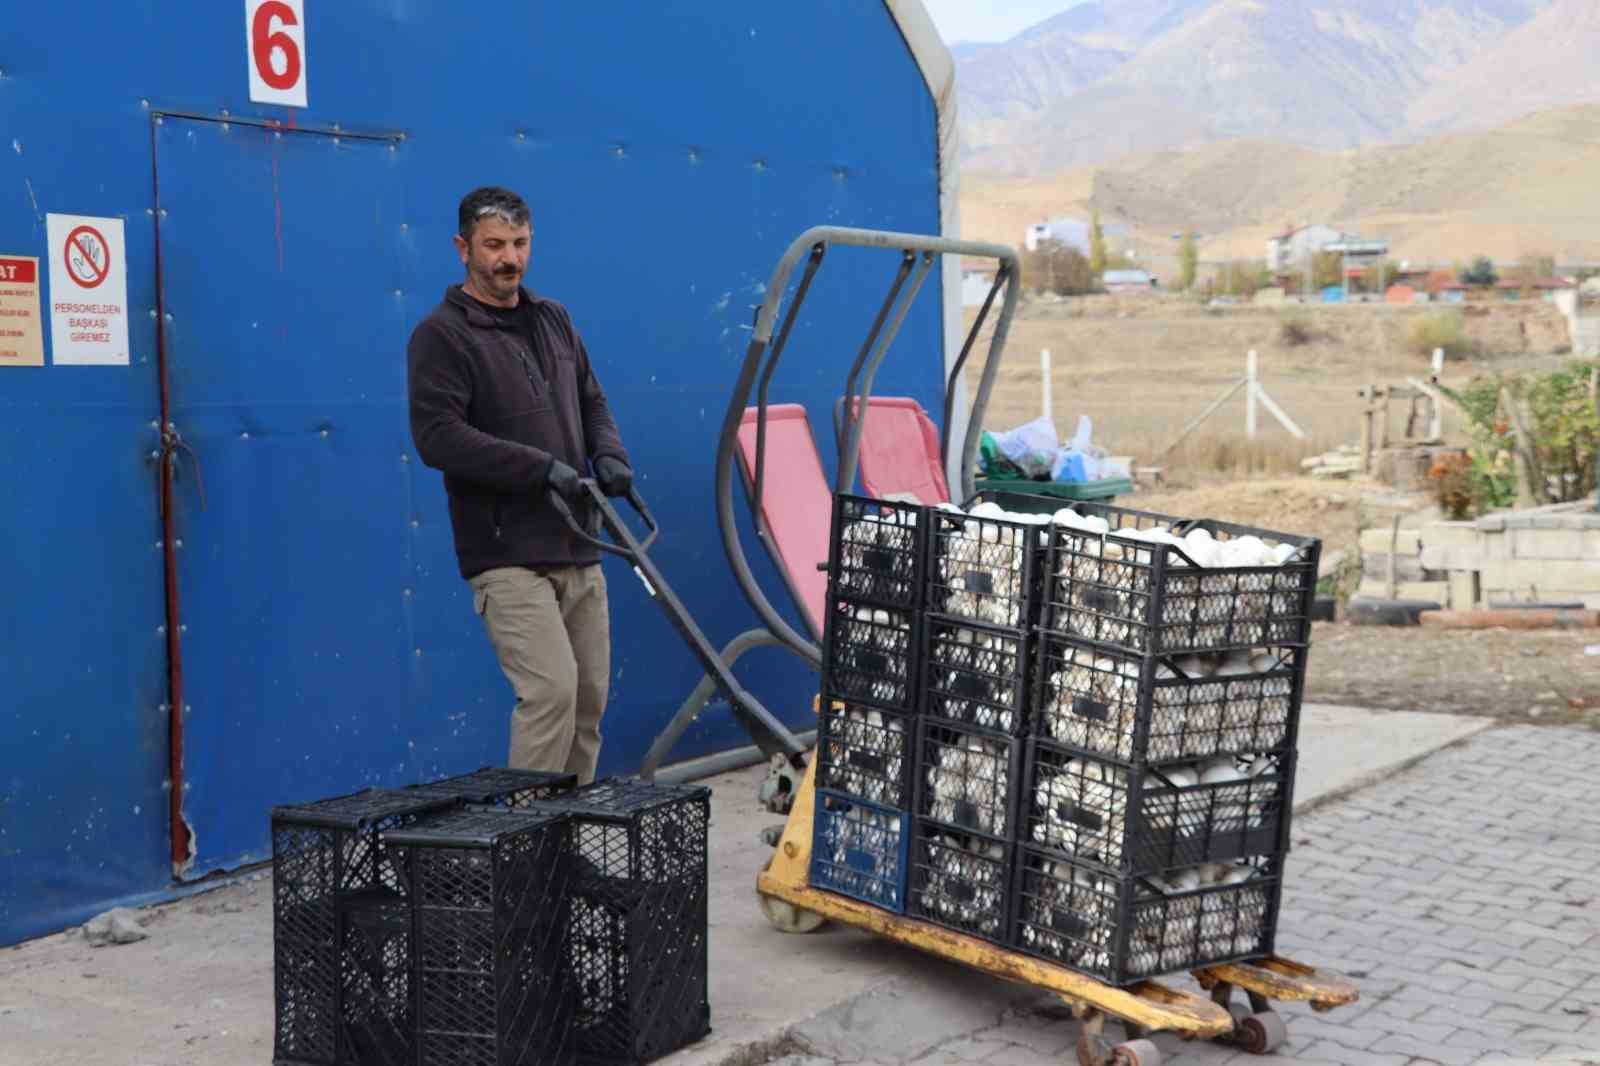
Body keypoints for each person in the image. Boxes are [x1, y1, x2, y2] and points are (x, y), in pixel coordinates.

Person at [406, 186, 633, 784]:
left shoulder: (554, 319)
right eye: (494, 245)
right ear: (463, 248)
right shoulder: (441, 336)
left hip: (579, 541)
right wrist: (539, 468)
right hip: (506, 553)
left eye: (520, 243)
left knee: (588, 702)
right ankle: (528, 836)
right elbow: (437, 437)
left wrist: (610, 454)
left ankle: (569, 829)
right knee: (551, 694)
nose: (510, 258)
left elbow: (592, 400)